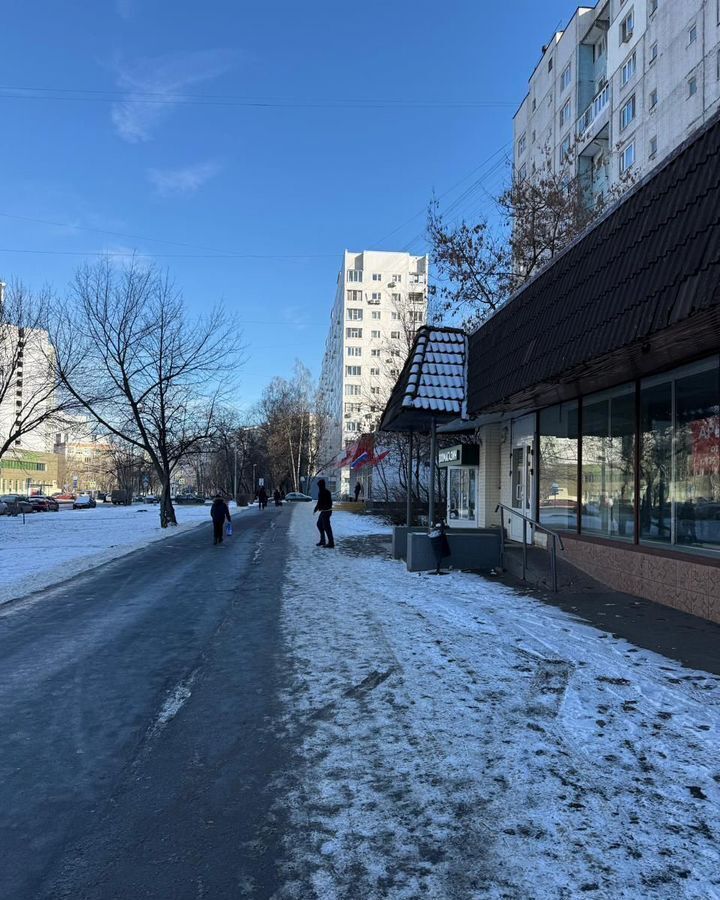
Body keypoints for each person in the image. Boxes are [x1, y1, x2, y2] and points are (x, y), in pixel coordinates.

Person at [313, 478, 334, 548]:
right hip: (324, 511)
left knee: (327, 527)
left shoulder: (325, 492)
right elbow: (320, 502)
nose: (318, 487)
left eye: (319, 485)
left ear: (321, 485)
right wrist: (316, 508)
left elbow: (324, 502)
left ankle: (331, 543)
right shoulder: (322, 492)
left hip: (326, 511)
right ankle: (323, 540)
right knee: (319, 524)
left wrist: (318, 508)